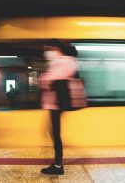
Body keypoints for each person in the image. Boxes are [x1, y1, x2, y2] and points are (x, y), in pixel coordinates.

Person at [39, 39, 82, 175]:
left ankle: (58, 166)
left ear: (57, 49)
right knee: (54, 132)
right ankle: (57, 163)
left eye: (50, 49)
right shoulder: (64, 61)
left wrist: (44, 79)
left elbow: (47, 81)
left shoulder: (64, 61)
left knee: (55, 133)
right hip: (55, 103)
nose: (47, 53)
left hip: (56, 103)